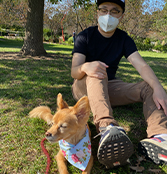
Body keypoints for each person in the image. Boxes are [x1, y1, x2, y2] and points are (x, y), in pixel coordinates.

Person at [71, 0, 167, 169]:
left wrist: (158, 87)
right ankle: (107, 128)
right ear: (97, 12)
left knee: (149, 86)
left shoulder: (123, 39)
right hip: (83, 87)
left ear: (121, 16)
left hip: (109, 87)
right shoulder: (84, 36)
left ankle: (160, 136)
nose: (108, 15)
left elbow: (142, 65)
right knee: (98, 70)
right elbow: (74, 71)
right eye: (104, 10)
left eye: (114, 11)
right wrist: (86, 66)